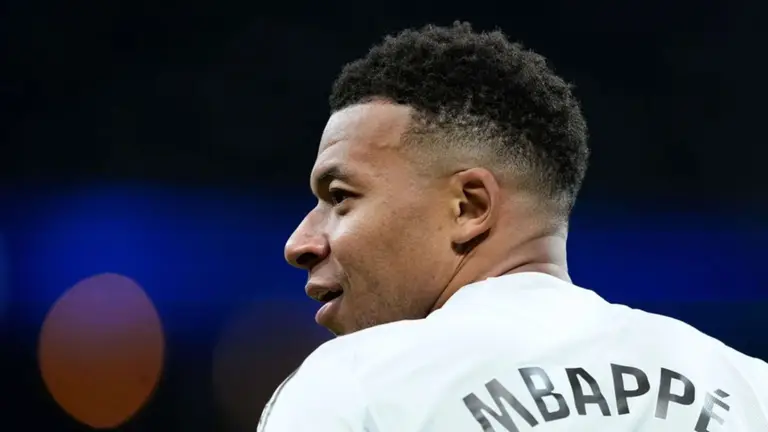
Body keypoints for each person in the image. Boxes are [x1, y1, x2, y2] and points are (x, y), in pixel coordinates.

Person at [259, 22, 768, 431]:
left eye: (340, 197)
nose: (300, 243)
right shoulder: (749, 389)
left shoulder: (353, 384)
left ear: (469, 206)